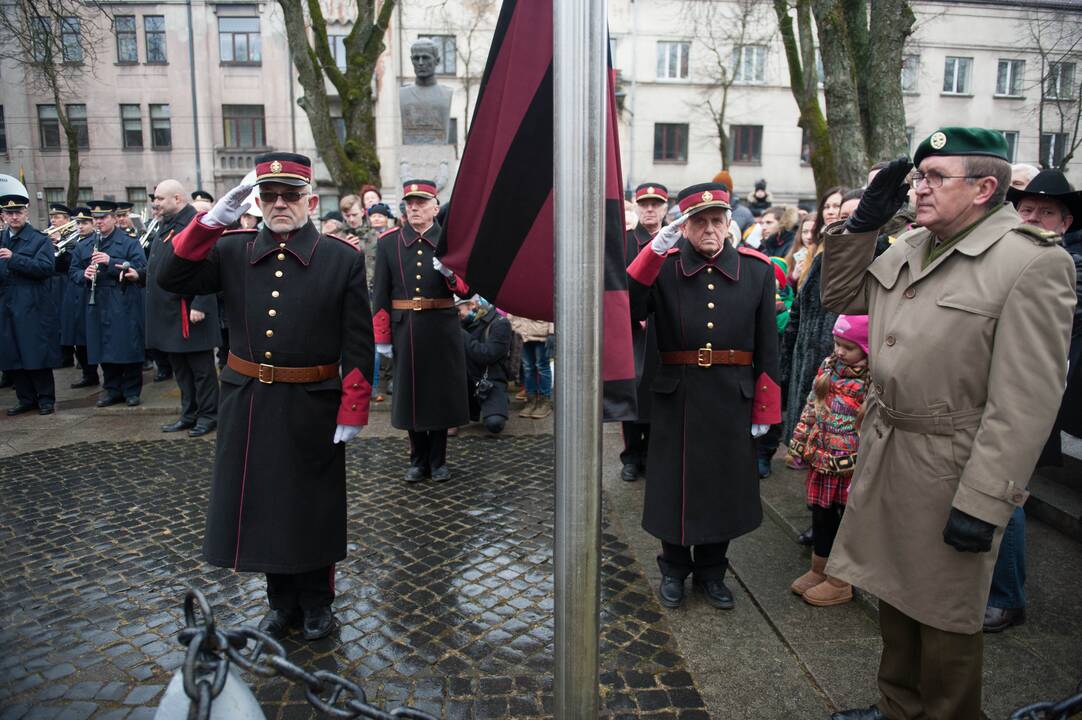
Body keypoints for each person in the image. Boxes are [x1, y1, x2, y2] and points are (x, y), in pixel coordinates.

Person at [822, 129, 1075, 720]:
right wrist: (865, 223)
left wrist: (986, 500)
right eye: (920, 175)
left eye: (937, 177)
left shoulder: (1031, 260)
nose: (920, 187)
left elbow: (1027, 400)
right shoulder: (915, 242)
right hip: (889, 446)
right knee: (894, 598)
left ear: (985, 187)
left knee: (946, 618)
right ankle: (897, 708)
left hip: (953, 463)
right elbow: (840, 294)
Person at [159, 152, 374, 641]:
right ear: (258, 200)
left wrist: (354, 405)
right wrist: (210, 221)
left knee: (311, 506)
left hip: (313, 400)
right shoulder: (231, 249)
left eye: (291, 195)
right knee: (265, 505)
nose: (280, 204)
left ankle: (318, 603)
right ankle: (280, 604)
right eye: (270, 195)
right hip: (249, 399)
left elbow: (357, 340)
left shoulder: (341, 258)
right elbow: (171, 277)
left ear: (311, 201)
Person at [627, 182, 781, 610]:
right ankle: (674, 569)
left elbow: (769, 341)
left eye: (717, 220)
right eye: (699, 222)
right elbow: (628, 305)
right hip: (678, 394)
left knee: (723, 487)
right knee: (673, 486)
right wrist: (653, 252)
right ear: (685, 225)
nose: (710, 229)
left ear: (729, 222)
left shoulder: (757, 269)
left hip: (732, 395)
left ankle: (713, 572)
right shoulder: (665, 266)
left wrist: (766, 406)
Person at [982, 168, 1082, 635]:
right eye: (1026, 210)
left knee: (1008, 496)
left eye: (1047, 212)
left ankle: (1007, 596)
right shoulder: (1002, 257)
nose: (1034, 218)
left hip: (1025, 403)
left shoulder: (1062, 265)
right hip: (990, 395)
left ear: (1064, 223)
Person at [372, 180, 470, 482]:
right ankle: (417, 460)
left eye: (421, 203)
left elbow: (467, 289)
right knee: (410, 395)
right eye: (410, 203)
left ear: (435, 208)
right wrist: (382, 336)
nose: (414, 208)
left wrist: (450, 274)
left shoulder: (450, 242)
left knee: (438, 395)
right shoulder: (389, 242)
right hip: (406, 329)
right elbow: (380, 295)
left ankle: (439, 461)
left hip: (441, 326)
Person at [787, 315, 870, 607]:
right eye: (837, 343)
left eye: (848, 347)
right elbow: (812, 405)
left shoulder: (872, 380)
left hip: (851, 466)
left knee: (847, 520)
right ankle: (818, 568)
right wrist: (798, 441)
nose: (839, 351)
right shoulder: (828, 368)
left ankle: (841, 580)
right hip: (822, 460)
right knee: (821, 516)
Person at [147, 179, 221, 438]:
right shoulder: (166, 224)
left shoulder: (195, 224)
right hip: (169, 313)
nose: (155, 204)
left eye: (160, 199)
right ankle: (189, 414)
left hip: (189, 309)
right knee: (181, 370)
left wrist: (201, 302)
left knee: (201, 370)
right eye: (154, 199)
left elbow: (211, 266)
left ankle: (209, 415)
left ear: (178, 199)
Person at [72, 201, 148, 407]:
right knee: (103, 345)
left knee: (127, 344)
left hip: (123, 298)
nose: (99, 222)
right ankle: (112, 389)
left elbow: (140, 267)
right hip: (97, 301)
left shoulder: (129, 241)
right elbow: (73, 271)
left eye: (103, 218)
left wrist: (110, 261)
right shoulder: (84, 244)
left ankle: (132, 390)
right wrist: (84, 274)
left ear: (114, 218)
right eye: (95, 219)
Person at [621, 182, 667, 481]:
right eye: (644, 204)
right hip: (631, 331)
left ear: (665, 207)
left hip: (664, 329)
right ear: (636, 207)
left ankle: (652, 453)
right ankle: (631, 456)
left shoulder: (675, 240)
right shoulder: (623, 241)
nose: (650, 209)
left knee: (660, 392)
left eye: (656, 203)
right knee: (632, 391)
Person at [0, 193, 60, 415]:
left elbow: (46, 268)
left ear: (26, 213)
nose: (14, 217)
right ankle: (25, 398)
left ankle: (45, 399)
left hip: (32, 303)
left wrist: (14, 258)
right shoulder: (1, 238)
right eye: (9, 213)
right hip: (6, 304)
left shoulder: (39, 239)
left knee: (35, 351)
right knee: (12, 352)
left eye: (18, 212)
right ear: (3, 216)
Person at [459, 295, 512, 434]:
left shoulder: (500, 323)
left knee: (494, 424)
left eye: (458, 311)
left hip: (490, 381)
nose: (457, 316)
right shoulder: (463, 323)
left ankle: (499, 404)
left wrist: (461, 334)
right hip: (465, 382)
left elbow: (487, 355)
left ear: (471, 305)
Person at [62, 207, 100, 389]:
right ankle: (88, 374)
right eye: (78, 223)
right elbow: (71, 270)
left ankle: (93, 373)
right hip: (73, 294)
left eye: (85, 223)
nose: (81, 226)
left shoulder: (95, 241)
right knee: (78, 336)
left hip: (89, 294)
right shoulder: (73, 241)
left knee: (89, 335)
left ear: (93, 223)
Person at [509, 314, 553, 419]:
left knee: (542, 366)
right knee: (528, 368)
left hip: (541, 331)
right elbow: (512, 307)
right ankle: (531, 401)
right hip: (523, 333)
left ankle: (544, 402)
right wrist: (513, 325)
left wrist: (552, 331)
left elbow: (552, 308)